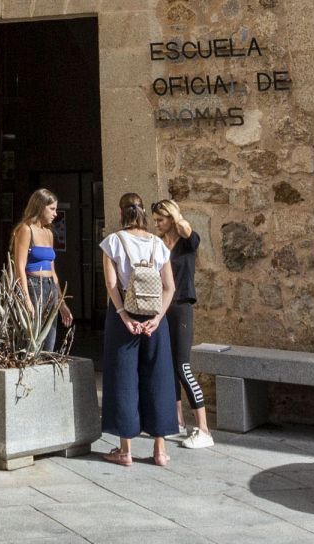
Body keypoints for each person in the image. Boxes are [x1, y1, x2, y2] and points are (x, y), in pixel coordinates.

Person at [99, 191, 178, 467]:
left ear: (121, 213)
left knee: (123, 379)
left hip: (126, 317)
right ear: (143, 212)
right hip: (156, 318)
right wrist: (157, 318)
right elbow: (169, 287)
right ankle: (160, 450)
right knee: (159, 377)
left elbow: (111, 284)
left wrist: (123, 316)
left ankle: (125, 449)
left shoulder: (113, 242)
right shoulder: (159, 244)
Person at [152, 198, 213, 448]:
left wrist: (177, 219)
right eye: (155, 219)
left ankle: (204, 429)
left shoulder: (187, 241)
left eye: (161, 219)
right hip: (162, 307)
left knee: (183, 367)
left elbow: (187, 230)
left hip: (181, 307)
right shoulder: (158, 244)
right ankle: (176, 422)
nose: (156, 223)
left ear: (171, 217)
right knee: (168, 366)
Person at [10, 188, 73, 351]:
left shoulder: (49, 233)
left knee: (49, 339)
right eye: (52, 209)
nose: (55, 214)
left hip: (50, 286)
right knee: (33, 338)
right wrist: (26, 299)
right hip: (33, 286)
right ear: (40, 207)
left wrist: (62, 303)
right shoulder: (25, 229)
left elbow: (53, 271)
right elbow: (19, 267)